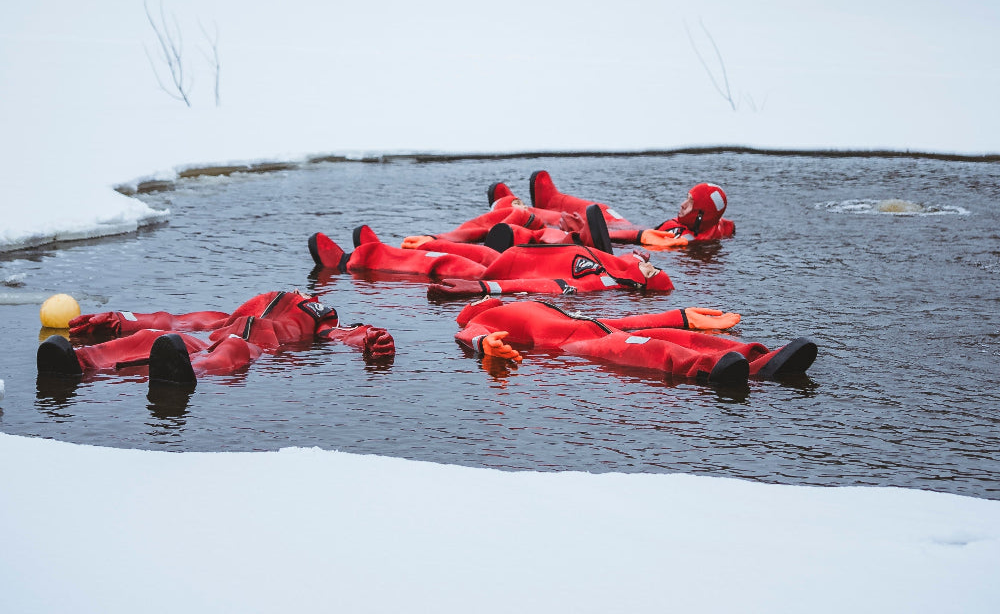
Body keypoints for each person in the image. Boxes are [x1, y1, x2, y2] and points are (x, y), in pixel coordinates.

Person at [37, 289, 395, 387]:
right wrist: (122, 319)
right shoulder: (246, 310)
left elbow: (346, 334)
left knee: (234, 347)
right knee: (155, 334)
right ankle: (76, 361)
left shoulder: (321, 321)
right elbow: (184, 320)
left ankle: (181, 373)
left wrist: (371, 338)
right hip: (213, 336)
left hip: (261, 347)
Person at [453, 297, 817, 387]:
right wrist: (483, 344)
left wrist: (677, 317)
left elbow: (615, 321)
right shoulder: (480, 318)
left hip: (601, 330)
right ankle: (710, 372)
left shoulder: (527, 304)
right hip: (576, 347)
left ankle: (763, 359)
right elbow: (468, 335)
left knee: (680, 337)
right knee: (655, 350)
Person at [308, 219, 674, 298]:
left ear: (641, 282)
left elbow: (548, 285)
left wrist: (484, 286)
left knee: (440, 263)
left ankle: (347, 263)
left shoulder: (605, 280)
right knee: (462, 248)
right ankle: (381, 248)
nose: (649, 262)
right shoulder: (621, 263)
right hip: (511, 256)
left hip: (503, 270)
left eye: (650, 270)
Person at [493, 171, 735, 249]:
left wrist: (590, 230)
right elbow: (726, 223)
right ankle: (551, 199)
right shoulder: (717, 226)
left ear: (702, 215)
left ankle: (511, 207)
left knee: (572, 219)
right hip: (630, 226)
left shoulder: (682, 239)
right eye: (686, 198)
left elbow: (642, 242)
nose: (683, 204)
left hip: (623, 234)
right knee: (601, 208)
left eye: (690, 203)